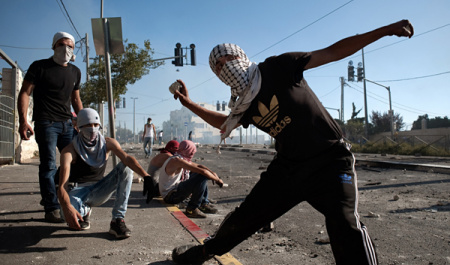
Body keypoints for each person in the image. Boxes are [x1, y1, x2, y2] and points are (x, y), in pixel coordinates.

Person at [171, 20, 414, 265]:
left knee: (344, 225)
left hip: (330, 160)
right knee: (246, 217)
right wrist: (188, 103)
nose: (226, 69)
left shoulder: (279, 67)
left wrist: (384, 30)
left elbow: (332, 52)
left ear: (240, 55)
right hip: (288, 169)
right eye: (219, 68)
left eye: (228, 60)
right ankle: (203, 252)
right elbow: (223, 123)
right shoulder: (242, 103)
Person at [18, 31, 83, 223]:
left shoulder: (75, 72)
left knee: (73, 164)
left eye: (70, 46)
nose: (66, 49)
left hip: (67, 124)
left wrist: (82, 122)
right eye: (62, 44)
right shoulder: (39, 67)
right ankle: (51, 207)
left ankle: (57, 194)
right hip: (46, 123)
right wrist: (23, 120)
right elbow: (25, 93)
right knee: (48, 165)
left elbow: (76, 99)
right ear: (54, 46)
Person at [57, 108, 152, 239]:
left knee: (126, 168)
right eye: (88, 125)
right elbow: (62, 186)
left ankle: (117, 220)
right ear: (79, 127)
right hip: (78, 192)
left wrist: (146, 176)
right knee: (64, 214)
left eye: (95, 125)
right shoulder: (69, 151)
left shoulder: (107, 143)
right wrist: (67, 207)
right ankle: (84, 210)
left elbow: (127, 158)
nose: (92, 129)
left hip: (100, 190)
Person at [159, 140, 223, 218]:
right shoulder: (177, 160)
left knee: (198, 174)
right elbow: (203, 172)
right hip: (170, 196)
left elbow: (200, 166)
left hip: (174, 192)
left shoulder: (180, 157)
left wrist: (213, 173)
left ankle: (203, 204)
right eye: (191, 151)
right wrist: (217, 180)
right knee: (201, 176)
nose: (192, 154)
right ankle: (192, 209)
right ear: (187, 150)